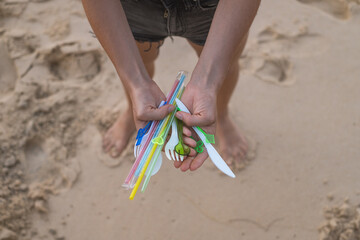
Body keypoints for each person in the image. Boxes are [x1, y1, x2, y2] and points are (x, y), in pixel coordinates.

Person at [81, 0, 261, 172]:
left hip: (214, 6)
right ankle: (132, 109)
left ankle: (221, 116)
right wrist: (137, 84)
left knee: (225, 67)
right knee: (140, 64)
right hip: (134, 6)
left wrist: (206, 83)